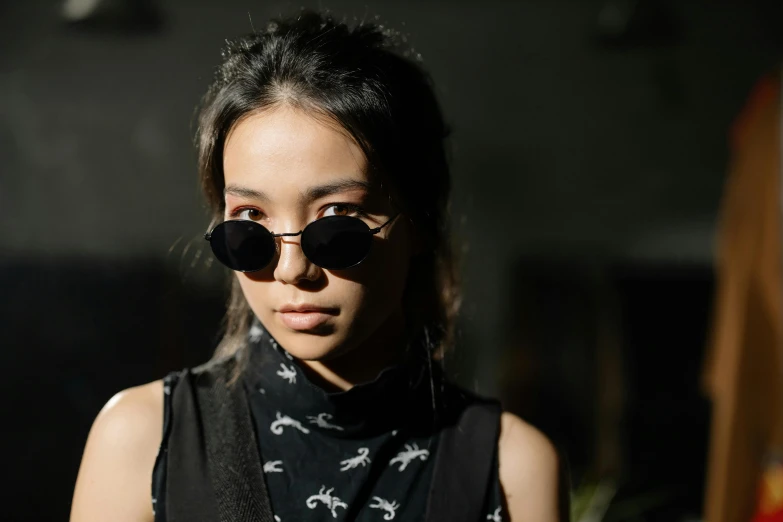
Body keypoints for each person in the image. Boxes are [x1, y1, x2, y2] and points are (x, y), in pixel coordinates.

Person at [69, 10, 563, 522]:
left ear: (418, 222)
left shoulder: (510, 469)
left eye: (336, 220)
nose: (290, 269)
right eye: (251, 222)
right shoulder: (143, 441)